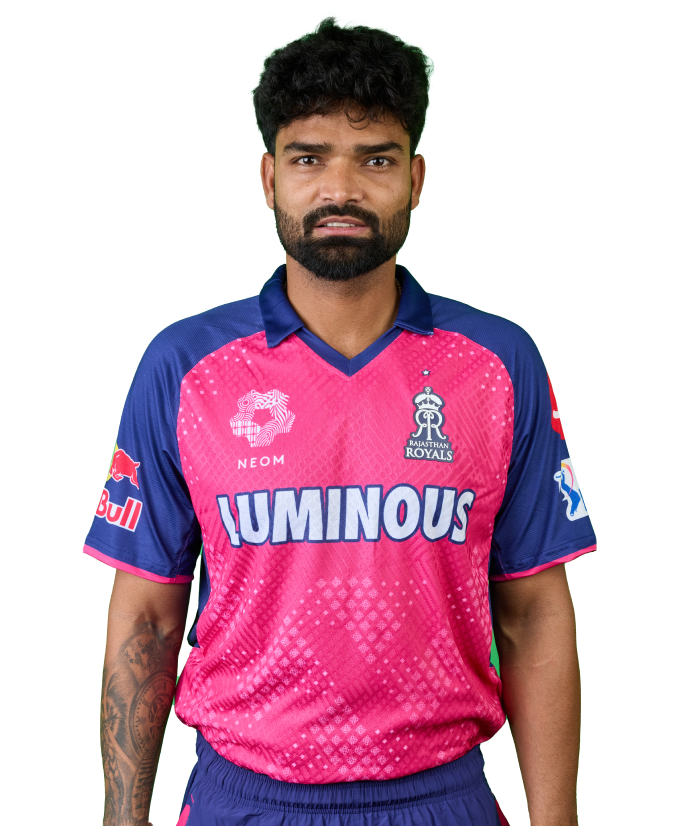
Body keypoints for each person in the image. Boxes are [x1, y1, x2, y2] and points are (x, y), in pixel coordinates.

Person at [92, 13, 593, 826]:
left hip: (442, 798)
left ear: (417, 179)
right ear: (268, 179)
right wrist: (122, 817)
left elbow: (533, 612)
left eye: (376, 159)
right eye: (309, 158)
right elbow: (147, 614)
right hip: (239, 799)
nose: (341, 190)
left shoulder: (498, 363)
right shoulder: (184, 366)